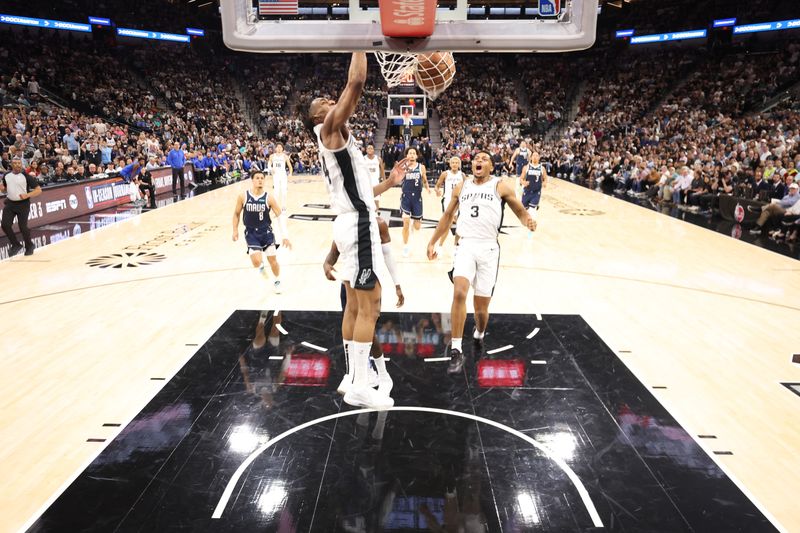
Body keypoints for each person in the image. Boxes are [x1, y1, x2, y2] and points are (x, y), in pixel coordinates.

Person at [299, 52, 405, 410]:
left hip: (349, 224)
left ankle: (350, 375)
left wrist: (388, 184)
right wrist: (361, 42)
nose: (333, 101)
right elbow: (356, 84)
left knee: (352, 306)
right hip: (358, 227)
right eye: (327, 103)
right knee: (369, 305)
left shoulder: (335, 139)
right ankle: (361, 384)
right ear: (319, 115)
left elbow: (356, 192)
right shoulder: (328, 129)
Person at [427, 151, 536, 374]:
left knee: (481, 310)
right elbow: (448, 216)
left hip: (488, 249)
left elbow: (518, 208)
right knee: (459, 293)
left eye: (484, 159)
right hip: (465, 245)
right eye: (476, 158)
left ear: (492, 167)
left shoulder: (500, 186)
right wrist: (433, 241)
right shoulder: (462, 186)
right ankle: (456, 349)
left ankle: (479, 332)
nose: (478, 161)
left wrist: (527, 220)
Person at [324, 216, 404, 397]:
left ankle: (380, 375)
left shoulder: (378, 224)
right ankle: (355, 373)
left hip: (368, 283)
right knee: (355, 331)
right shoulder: (343, 222)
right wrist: (327, 264)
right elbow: (333, 252)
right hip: (349, 285)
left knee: (369, 332)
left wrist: (397, 285)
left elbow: (388, 255)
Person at [232, 171, 291, 294]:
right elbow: (236, 214)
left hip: (266, 233)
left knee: (273, 261)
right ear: (252, 180)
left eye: (262, 178)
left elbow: (280, 216)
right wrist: (235, 230)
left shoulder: (269, 198)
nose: (260, 180)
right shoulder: (243, 196)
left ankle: (277, 281)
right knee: (256, 261)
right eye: (257, 178)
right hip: (251, 233)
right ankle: (261, 268)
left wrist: (285, 236)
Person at [0, 157, 41, 256]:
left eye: (19, 163)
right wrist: (2, 189)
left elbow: (39, 190)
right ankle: (16, 245)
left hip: (23, 204)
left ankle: (29, 245)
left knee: (23, 227)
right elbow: (5, 189)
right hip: (10, 203)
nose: (18, 165)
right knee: (5, 225)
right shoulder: (6, 175)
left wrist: (27, 195)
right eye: (15, 163)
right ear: (11, 165)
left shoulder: (25, 176)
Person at [400, 147, 430, 257]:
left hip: (417, 198)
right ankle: (406, 246)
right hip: (406, 198)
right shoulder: (403, 167)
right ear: (406, 156)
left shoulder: (421, 167)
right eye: (410, 153)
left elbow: (425, 179)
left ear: (417, 156)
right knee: (406, 223)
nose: (412, 155)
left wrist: (427, 187)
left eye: (414, 153)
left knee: (417, 227)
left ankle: (412, 226)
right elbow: (398, 179)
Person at [433, 156, 465, 253]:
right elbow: (437, 186)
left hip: (460, 201)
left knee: (460, 223)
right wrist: (437, 191)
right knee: (447, 224)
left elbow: (467, 187)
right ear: (450, 164)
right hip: (448, 200)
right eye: (453, 162)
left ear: (459, 164)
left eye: (456, 163)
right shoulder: (445, 174)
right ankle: (440, 246)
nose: (455, 164)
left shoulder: (462, 175)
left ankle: (456, 245)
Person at [519, 151, 548, 234]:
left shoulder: (542, 168)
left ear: (539, 158)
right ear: (531, 157)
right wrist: (523, 182)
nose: (535, 157)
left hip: (536, 192)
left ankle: (532, 227)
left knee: (532, 210)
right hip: (527, 192)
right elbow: (521, 179)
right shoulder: (526, 167)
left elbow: (545, 178)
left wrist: (545, 183)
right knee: (525, 210)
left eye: (537, 155)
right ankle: (527, 222)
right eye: (533, 155)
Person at [268, 143, 292, 211]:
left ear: (282, 148)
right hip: (276, 176)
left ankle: (284, 206)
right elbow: (269, 163)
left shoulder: (285, 156)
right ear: (275, 148)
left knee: (284, 191)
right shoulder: (272, 156)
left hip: (283, 175)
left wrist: (290, 173)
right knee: (276, 192)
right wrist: (270, 168)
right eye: (277, 147)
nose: (279, 148)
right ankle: (276, 206)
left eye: (280, 147)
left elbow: (290, 166)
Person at [363, 144, 385, 209]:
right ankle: (369, 217)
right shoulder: (363, 159)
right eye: (368, 148)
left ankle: (376, 217)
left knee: (376, 202)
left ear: (373, 150)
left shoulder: (378, 159)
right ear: (366, 150)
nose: (370, 149)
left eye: (371, 148)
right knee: (367, 202)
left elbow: (382, 170)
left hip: (376, 183)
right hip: (366, 183)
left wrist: (384, 180)